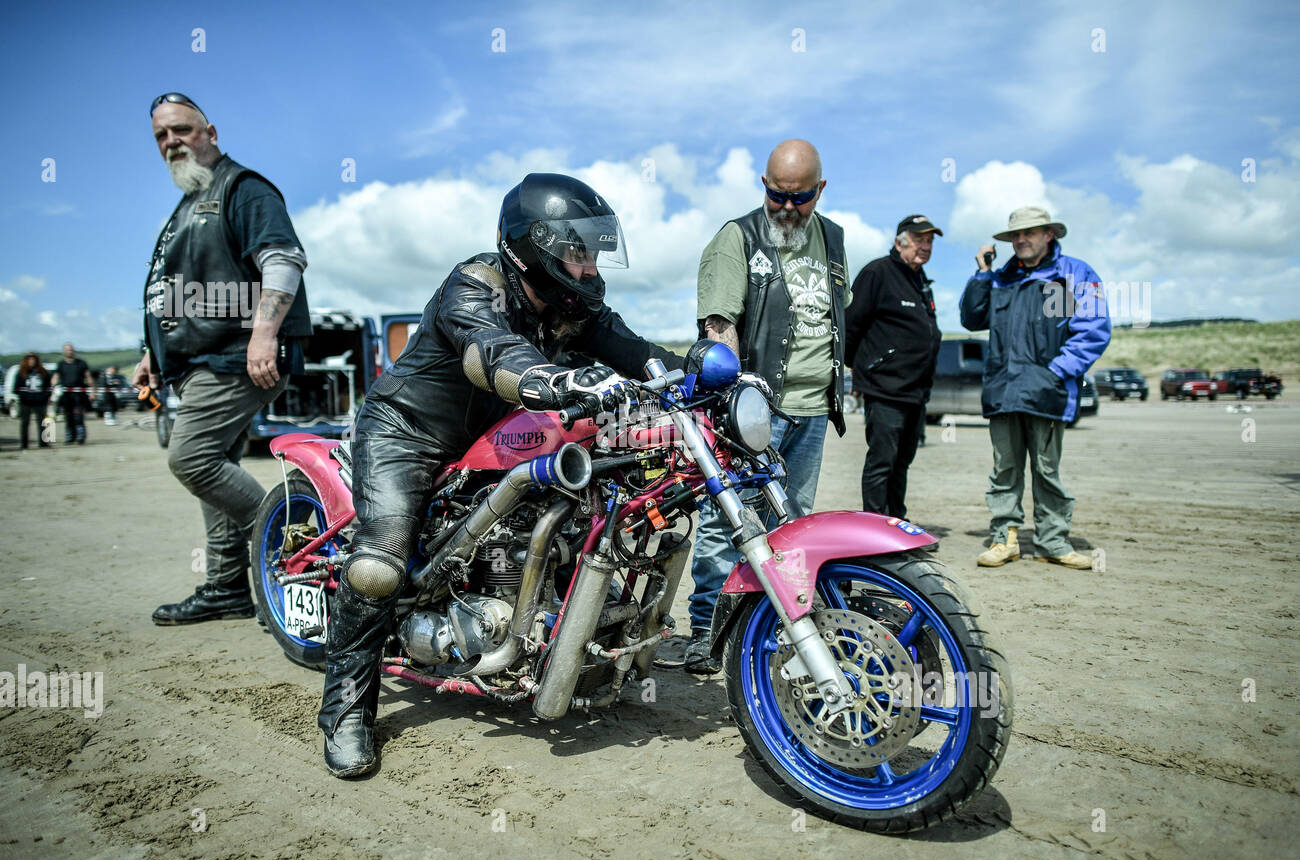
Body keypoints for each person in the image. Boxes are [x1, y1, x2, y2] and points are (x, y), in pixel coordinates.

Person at [317, 173, 683, 778]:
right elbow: (491, 351)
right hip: (408, 432)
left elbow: (635, 350)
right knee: (381, 564)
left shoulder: (578, 307)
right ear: (531, 247)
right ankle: (347, 711)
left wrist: (700, 373)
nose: (589, 267)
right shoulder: (475, 283)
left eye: (593, 252)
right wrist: (556, 381)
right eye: (576, 252)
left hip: (497, 442)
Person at [133, 92, 313, 624]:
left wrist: (263, 335)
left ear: (210, 131)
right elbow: (177, 289)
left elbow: (283, 259)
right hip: (195, 361)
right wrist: (152, 351)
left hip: (236, 357)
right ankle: (227, 588)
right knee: (216, 468)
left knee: (191, 459)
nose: (172, 143)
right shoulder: (187, 204)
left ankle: (294, 543)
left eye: (182, 130)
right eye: (162, 136)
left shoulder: (244, 188)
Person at [681, 139, 852, 674]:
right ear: (764, 186)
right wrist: (734, 402)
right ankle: (707, 632)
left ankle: (771, 626)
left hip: (812, 408)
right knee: (724, 524)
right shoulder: (738, 238)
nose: (786, 208)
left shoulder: (835, 239)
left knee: (790, 524)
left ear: (820, 190)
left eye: (799, 198)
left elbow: (832, 318)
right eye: (777, 195)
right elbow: (720, 327)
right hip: (754, 413)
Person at [959, 206, 1110, 570]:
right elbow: (971, 318)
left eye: (1029, 233)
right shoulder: (1000, 280)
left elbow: (1091, 330)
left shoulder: (1068, 276)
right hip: (1003, 391)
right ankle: (1005, 538)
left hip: (1046, 392)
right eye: (1016, 235)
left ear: (1049, 235)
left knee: (1046, 470)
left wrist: (1056, 372)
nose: (1021, 240)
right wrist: (982, 273)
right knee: (1004, 471)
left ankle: (1052, 541)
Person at [845, 214, 943, 522]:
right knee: (882, 463)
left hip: (915, 392)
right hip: (885, 389)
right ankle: (876, 529)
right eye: (919, 239)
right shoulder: (877, 273)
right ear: (900, 241)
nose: (925, 246)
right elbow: (850, 327)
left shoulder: (921, 281)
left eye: (929, 241)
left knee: (902, 463)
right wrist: (867, 370)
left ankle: (897, 524)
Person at [51, 342, 91, 444]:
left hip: (79, 395)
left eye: (71, 349)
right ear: (64, 352)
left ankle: (80, 437)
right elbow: (55, 377)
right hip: (66, 395)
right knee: (68, 417)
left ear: (74, 351)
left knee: (79, 417)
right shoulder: (61, 364)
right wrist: (52, 387)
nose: (70, 351)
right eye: (68, 350)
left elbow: (88, 377)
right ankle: (70, 437)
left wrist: (92, 391)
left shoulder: (81, 363)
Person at [16, 352, 52, 449]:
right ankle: (24, 444)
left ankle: (44, 443)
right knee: (25, 423)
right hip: (25, 402)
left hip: (40, 402)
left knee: (43, 422)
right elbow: (17, 389)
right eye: (29, 359)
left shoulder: (43, 373)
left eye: (33, 359)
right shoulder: (21, 373)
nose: (31, 361)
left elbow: (48, 388)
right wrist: (25, 397)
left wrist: (43, 397)